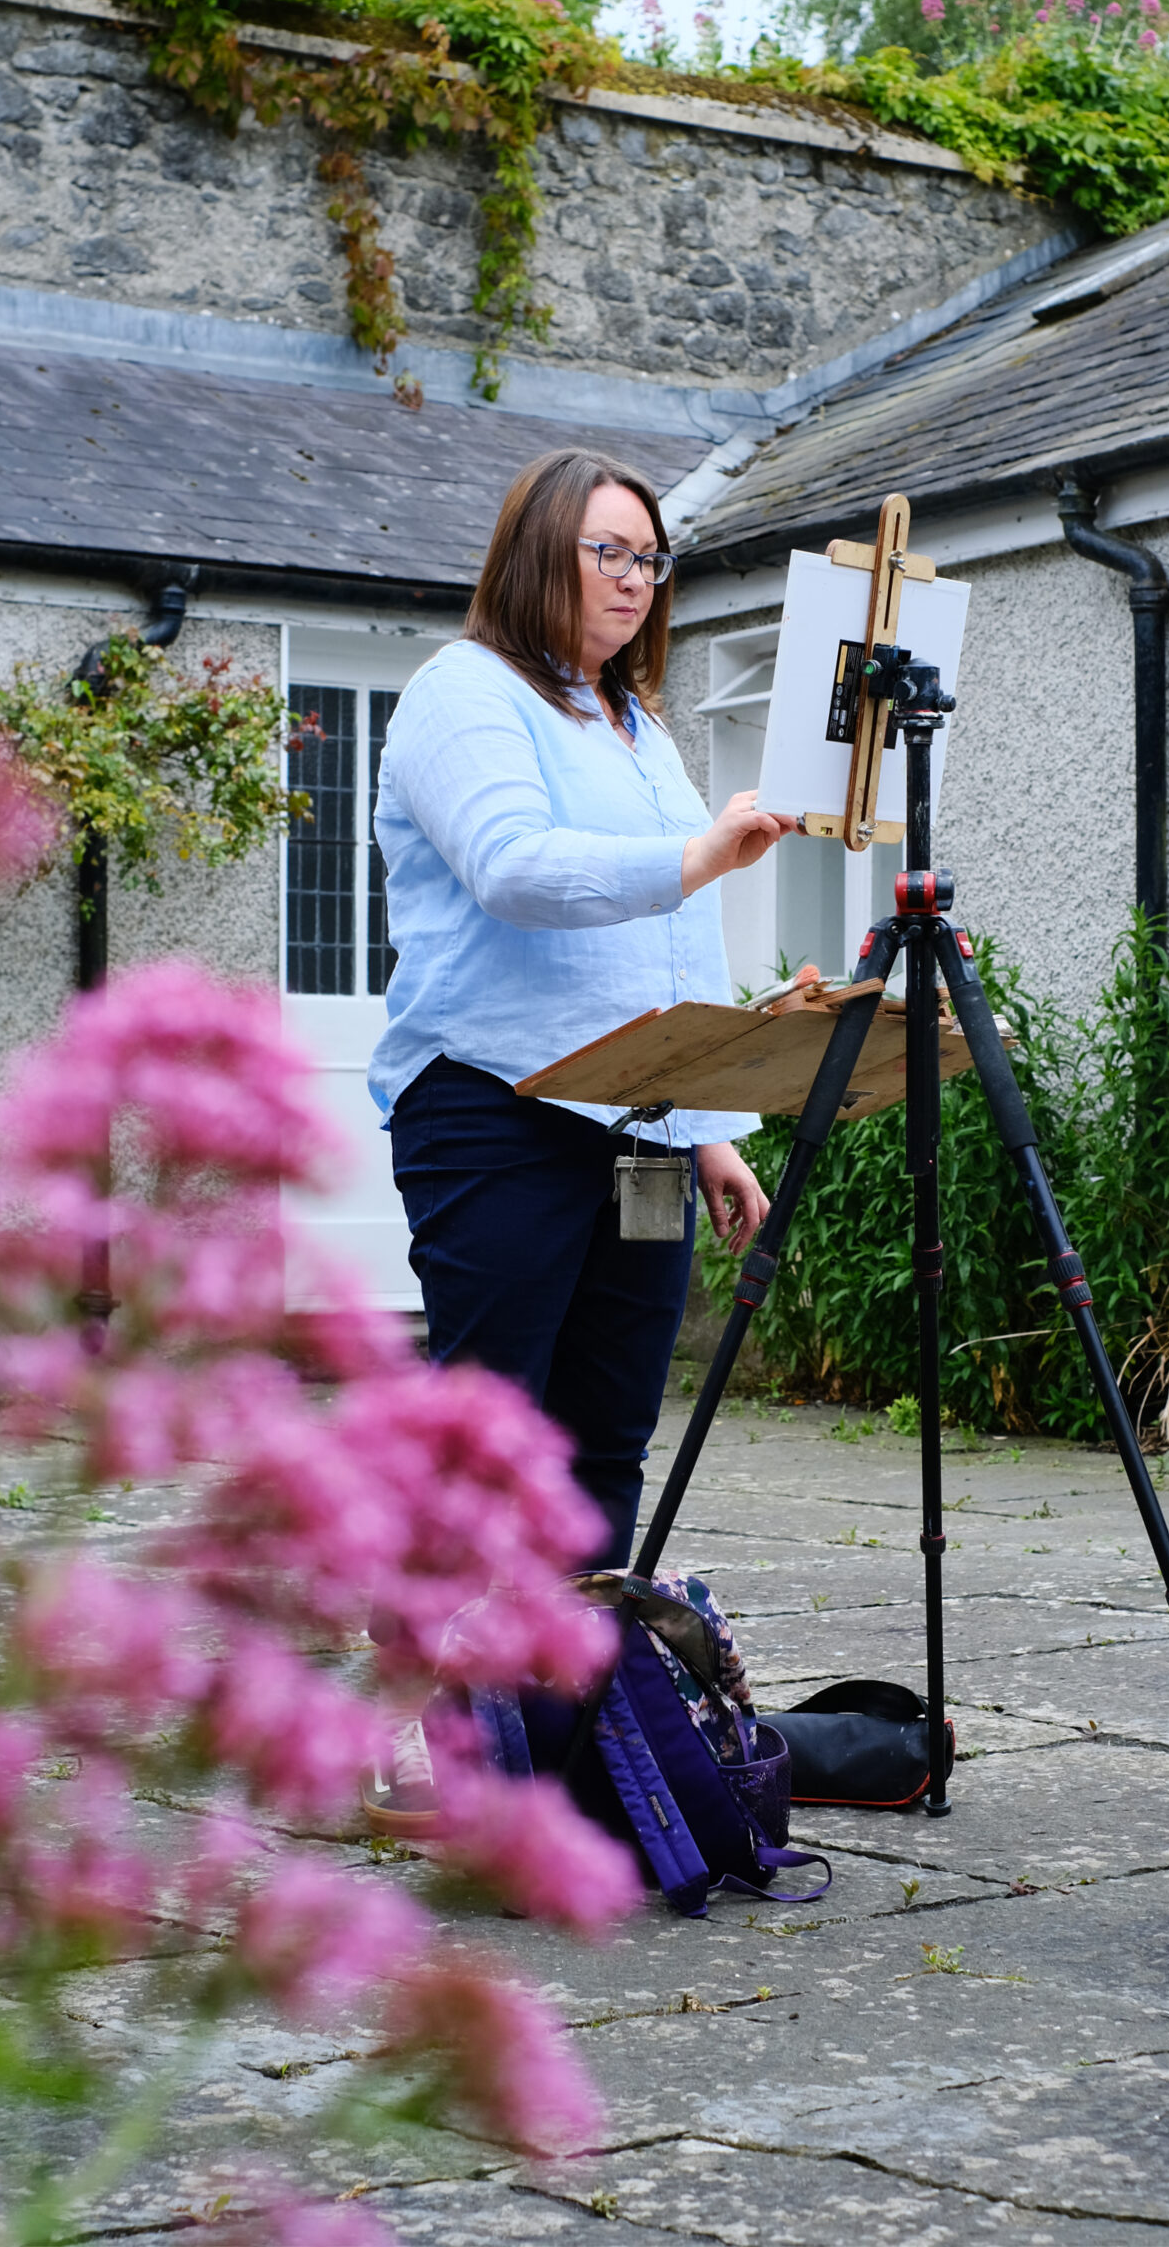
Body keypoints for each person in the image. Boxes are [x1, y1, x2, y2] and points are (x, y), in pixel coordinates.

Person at [369, 446, 795, 1571]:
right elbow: (513, 867)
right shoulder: (462, 691)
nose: (632, 578)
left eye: (649, 559)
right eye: (606, 550)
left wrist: (707, 1130)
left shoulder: (635, 724)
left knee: (607, 1443)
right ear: (534, 552)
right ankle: (444, 1724)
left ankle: (584, 1721)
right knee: (490, 1442)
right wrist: (699, 853)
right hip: (498, 1109)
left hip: (643, 1126)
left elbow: (670, 936)